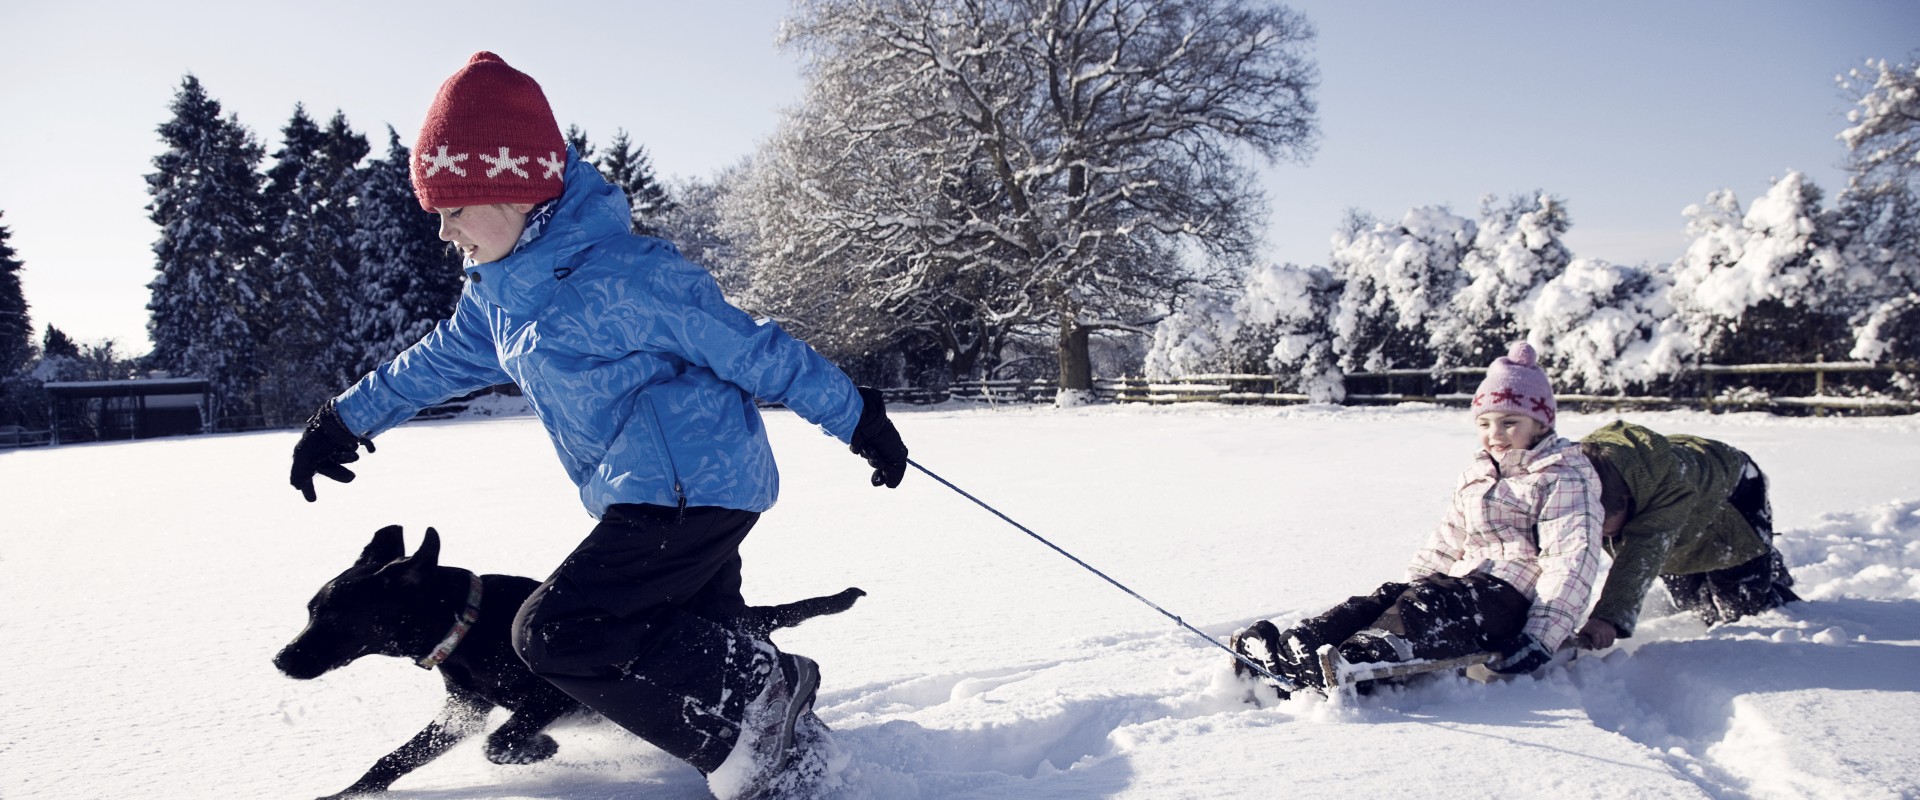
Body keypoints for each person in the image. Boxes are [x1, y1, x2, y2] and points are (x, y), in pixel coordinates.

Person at [286, 52, 908, 798]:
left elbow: (752, 351)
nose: (444, 232)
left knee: (557, 632)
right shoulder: (499, 296)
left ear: (513, 190)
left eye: (454, 208)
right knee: (693, 634)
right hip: (641, 489)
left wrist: (853, 415)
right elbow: (435, 363)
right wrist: (343, 421)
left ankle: (761, 707)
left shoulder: (629, 272)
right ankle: (799, 754)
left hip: (691, 485)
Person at [1232, 342, 1604, 692]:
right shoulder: (1480, 473)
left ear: (1541, 423)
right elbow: (1448, 537)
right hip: (1464, 585)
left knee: (1428, 606)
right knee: (1390, 598)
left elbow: (1570, 560)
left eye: (1510, 423)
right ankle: (1301, 644)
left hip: (1513, 598)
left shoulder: (1562, 476)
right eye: (1485, 423)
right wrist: (1411, 587)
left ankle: (1356, 660)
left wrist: (1542, 635)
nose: (1495, 435)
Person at [1573, 421, 1798, 650]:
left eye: (1603, 524)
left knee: (1742, 606)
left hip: (1733, 492)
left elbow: (1642, 555)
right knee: (1693, 603)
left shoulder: (1669, 491)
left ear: (1627, 500)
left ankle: (1768, 569)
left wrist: (1608, 618)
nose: (1596, 532)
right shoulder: (1573, 482)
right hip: (1678, 517)